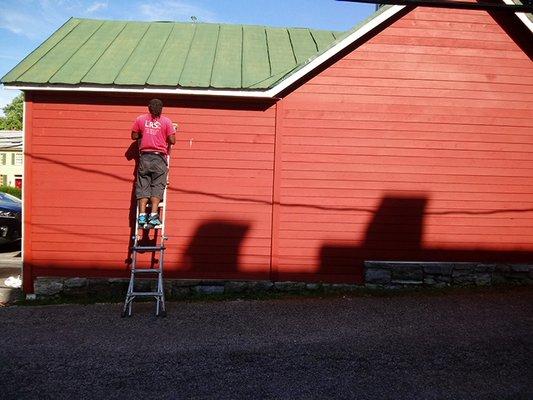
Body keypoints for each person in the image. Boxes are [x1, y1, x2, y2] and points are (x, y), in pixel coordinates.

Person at [131, 98, 176, 228]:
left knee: (143, 186)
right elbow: (172, 140)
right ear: (161, 109)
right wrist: (166, 133)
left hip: (145, 157)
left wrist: (144, 135)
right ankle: (154, 216)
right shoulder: (166, 121)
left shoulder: (140, 119)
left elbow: (134, 136)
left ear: (149, 107)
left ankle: (142, 216)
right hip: (159, 157)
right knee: (157, 185)